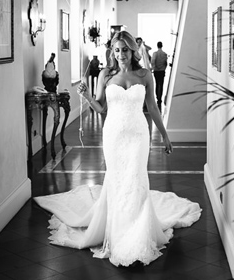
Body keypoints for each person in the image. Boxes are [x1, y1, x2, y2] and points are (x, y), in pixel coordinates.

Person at [34, 31, 201, 267]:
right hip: (113, 136)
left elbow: (152, 107)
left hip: (138, 135)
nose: (121, 54)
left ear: (133, 50)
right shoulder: (105, 74)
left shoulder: (145, 74)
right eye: (117, 50)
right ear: (112, 52)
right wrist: (88, 96)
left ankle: (137, 233)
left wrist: (164, 135)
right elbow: (101, 109)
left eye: (125, 49)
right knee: (117, 180)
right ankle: (117, 229)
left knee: (136, 179)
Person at [150, 41, 169, 109]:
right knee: (161, 84)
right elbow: (165, 63)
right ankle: (160, 97)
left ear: (157, 46)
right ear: (162, 46)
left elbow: (152, 61)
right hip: (162, 71)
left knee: (157, 83)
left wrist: (154, 67)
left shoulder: (155, 53)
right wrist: (164, 68)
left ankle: (157, 97)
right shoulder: (164, 54)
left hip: (156, 71)